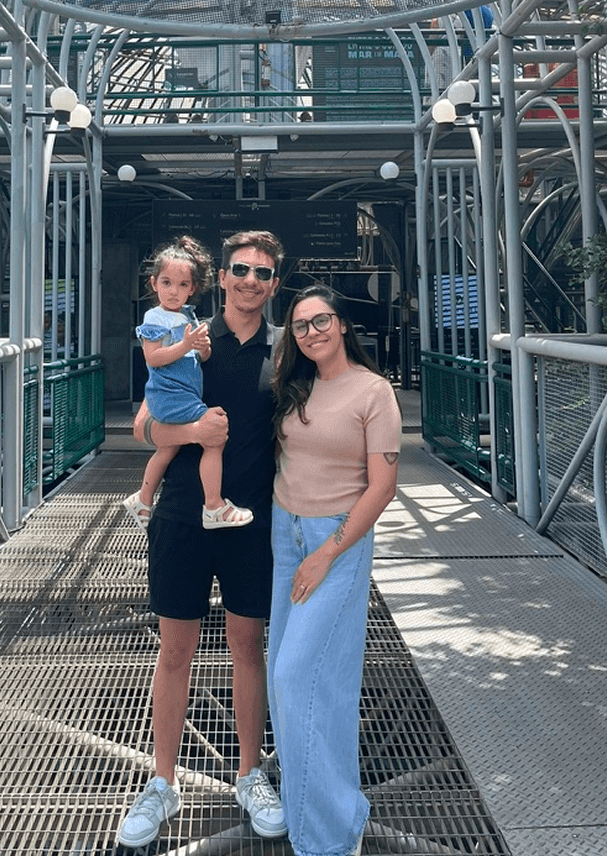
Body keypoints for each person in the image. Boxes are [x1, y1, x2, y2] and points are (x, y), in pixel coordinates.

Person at [117, 230, 288, 849]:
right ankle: (161, 782)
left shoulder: (286, 349)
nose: (250, 280)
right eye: (240, 269)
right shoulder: (190, 337)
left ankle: (249, 772)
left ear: (275, 284)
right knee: (175, 650)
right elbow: (143, 427)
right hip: (184, 515)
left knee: (248, 646)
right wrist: (193, 432)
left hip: (252, 522)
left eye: (262, 273)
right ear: (221, 279)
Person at [268, 284, 401, 857]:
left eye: (321, 320)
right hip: (284, 533)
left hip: (335, 543)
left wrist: (327, 553)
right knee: (305, 680)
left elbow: (384, 486)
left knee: (298, 677)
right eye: (300, 325)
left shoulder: (374, 391)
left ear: (342, 324)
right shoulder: (295, 387)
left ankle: (324, 840)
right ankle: (336, 810)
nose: (312, 332)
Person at [123, 235, 253, 530]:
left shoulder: (187, 317)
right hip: (172, 396)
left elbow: (198, 359)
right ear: (154, 283)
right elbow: (153, 358)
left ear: (193, 289)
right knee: (214, 436)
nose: (173, 291)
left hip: (179, 394)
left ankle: (142, 499)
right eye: (166, 283)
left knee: (168, 449)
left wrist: (202, 348)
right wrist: (185, 346)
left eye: (182, 285)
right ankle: (213, 505)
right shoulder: (155, 318)